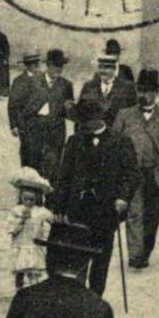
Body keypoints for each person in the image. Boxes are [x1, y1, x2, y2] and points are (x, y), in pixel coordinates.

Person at [51, 98, 139, 295]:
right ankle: (78, 296)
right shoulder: (74, 141)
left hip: (106, 210)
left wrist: (123, 197)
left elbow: (132, 174)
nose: (81, 126)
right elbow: (64, 175)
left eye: (85, 121)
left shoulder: (120, 141)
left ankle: (95, 297)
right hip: (78, 209)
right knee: (77, 255)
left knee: (101, 256)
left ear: (99, 118)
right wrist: (58, 206)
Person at [112, 68, 159, 268]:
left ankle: (145, 252)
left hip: (157, 173)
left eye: (147, 91)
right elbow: (113, 144)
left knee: (152, 216)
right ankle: (135, 255)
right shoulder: (124, 115)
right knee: (134, 213)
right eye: (139, 90)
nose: (142, 95)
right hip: (132, 173)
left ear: (156, 93)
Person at [8, 167, 54, 290]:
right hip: (21, 244)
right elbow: (11, 229)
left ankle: (34, 289)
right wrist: (21, 220)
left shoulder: (40, 212)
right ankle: (19, 288)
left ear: (37, 198)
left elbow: (51, 218)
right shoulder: (16, 210)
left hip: (34, 245)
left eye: (32, 199)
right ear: (21, 197)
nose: (28, 202)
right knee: (20, 268)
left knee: (35, 268)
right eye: (25, 199)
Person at [29, 49, 72, 180]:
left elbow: (68, 110)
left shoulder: (66, 85)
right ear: (48, 65)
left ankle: (51, 197)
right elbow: (23, 107)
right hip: (36, 128)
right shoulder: (34, 81)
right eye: (56, 66)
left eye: (61, 66)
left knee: (53, 165)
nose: (59, 69)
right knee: (33, 163)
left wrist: (69, 109)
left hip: (56, 130)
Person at [77, 53, 135, 128]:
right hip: (93, 133)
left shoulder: (126, 88)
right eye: (100, 67)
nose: (103, 71)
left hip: (117, 135)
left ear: (114, 69)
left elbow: (133, 114)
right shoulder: (89, 86)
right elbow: (80, 114)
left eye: (106, 68)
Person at [7, 52, 43, 169]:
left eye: (37, 63)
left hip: (42, 123)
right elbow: (13, 105)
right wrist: (14, 125)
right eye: (33, 64)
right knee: (27, 151)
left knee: (41, 154)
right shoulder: (19, 81)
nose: (36, 66)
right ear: (27, 65)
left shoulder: (43, 79)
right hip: (25, 123)